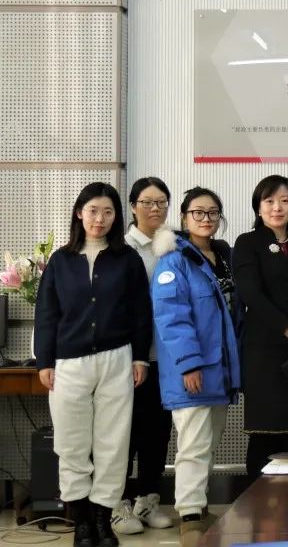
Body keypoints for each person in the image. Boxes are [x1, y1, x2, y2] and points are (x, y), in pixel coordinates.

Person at [35, 183, 152, 547]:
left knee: (112, 444)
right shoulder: (61, 260)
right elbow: (47, 313)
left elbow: (140, 312)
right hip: (69, 362)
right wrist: (44, 361)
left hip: (117, 358)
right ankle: (82, 522)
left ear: (117, 216)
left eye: (108, 212)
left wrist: (140, 356)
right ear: (79, 213)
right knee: (71, 444)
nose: (100, 219)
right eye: (93, 211)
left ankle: (103, 520)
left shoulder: (127, 259)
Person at [151, 187, 240, 547]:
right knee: (193, 445)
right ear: (184, 217)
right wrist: (189, 364)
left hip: (220, 370)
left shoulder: (221, 257)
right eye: (198, 212)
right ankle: (189, 517)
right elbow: (171, 317)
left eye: (213, 212)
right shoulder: (173, 261)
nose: (206, 219)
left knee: (208, 442)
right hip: (192, 370)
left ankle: (199, 508)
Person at [233, 176, 288, 476]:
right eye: (269, 201)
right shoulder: (247, 243)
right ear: (258, 207)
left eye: (284, 201)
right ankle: (257, 496)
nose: (277, 208)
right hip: (264, 350)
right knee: (265, 432)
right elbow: (251, 294)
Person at [113, 178, 174, 534]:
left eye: (161, 202)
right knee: (126, 433)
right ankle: (119, 503)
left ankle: (149, 499)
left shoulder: (173, 246)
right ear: (133, 206)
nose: (155, 208)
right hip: (128, 358)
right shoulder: (121, 249)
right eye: (148, 202)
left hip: (164, 358)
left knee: (158, 433)